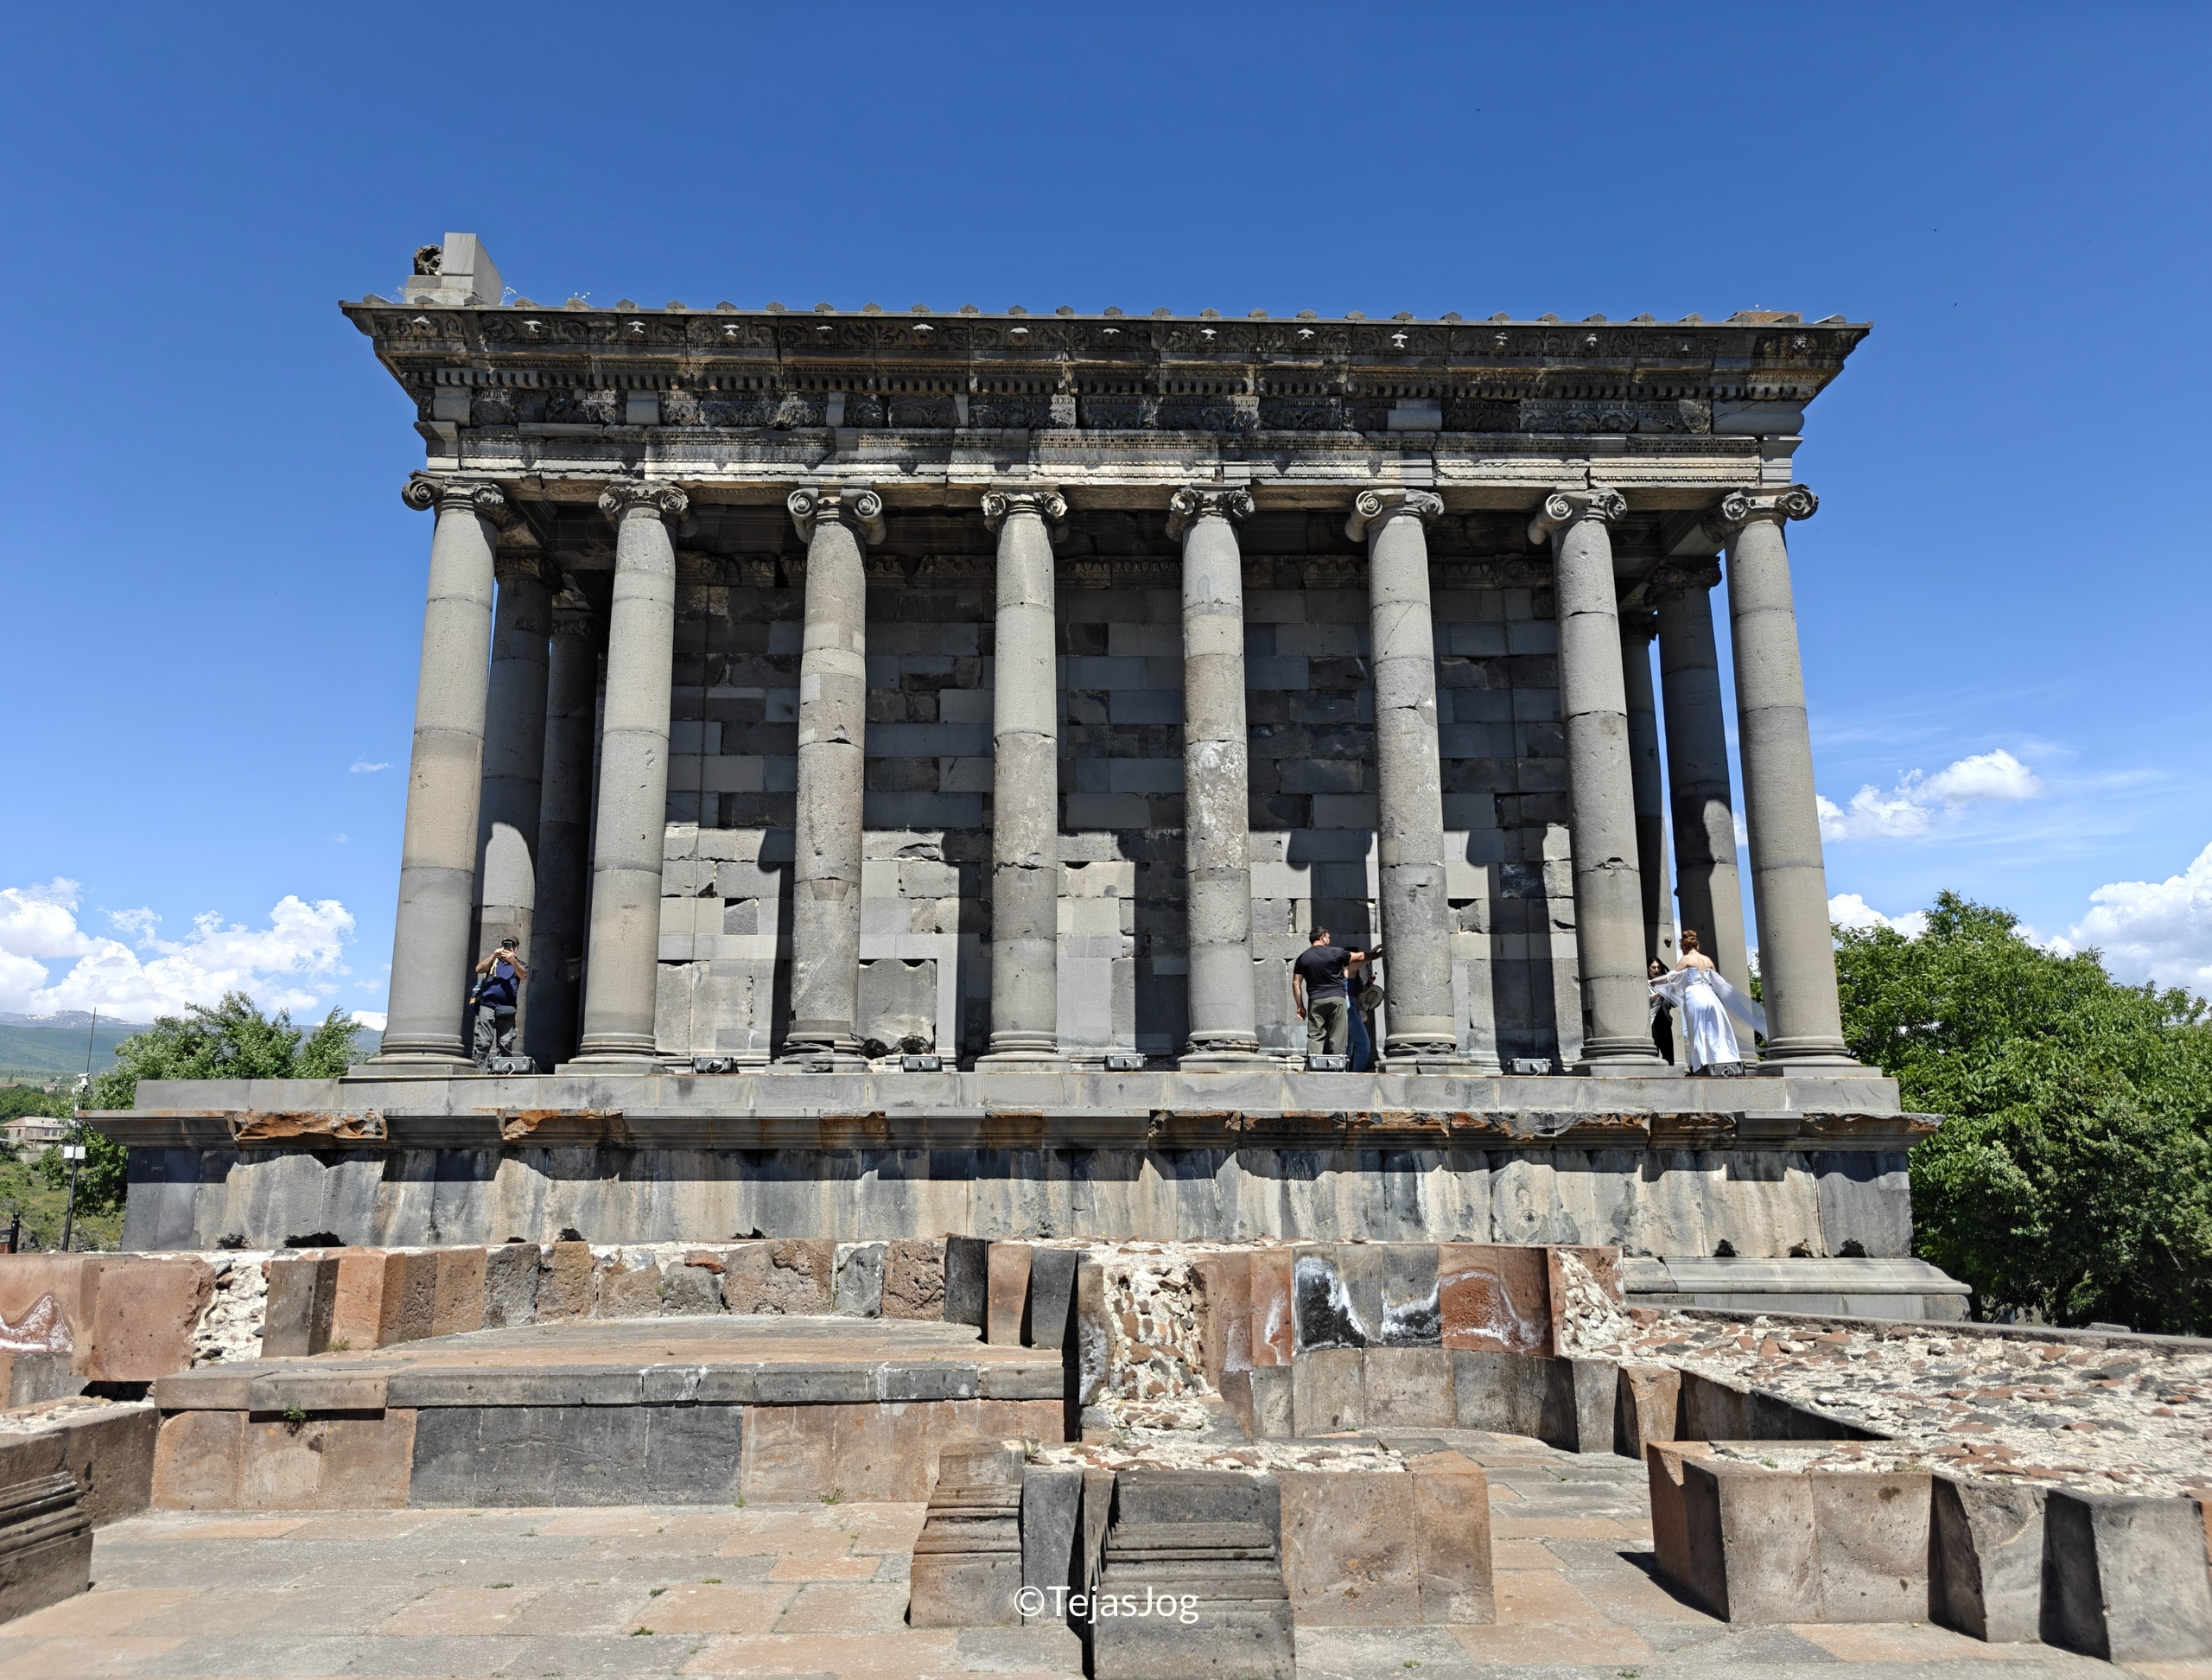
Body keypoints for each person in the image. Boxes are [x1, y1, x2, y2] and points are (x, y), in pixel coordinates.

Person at [1649, 929, 1762, 1075]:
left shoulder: (1686, 959)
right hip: (1710, 997)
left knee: (1698, 1030)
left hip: (1695, 996)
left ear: (1683, 945)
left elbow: (1671, 977)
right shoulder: (1707, 960)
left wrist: (1653, 981)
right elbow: (1718, 982)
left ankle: (1701, 1065)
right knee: (1715, 1031)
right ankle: (1719, 1062)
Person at [1292, 927, 1377, 1063]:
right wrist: (1378, 954)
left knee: (1315, 1035)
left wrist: (1300, 1006)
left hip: (1315, 1000)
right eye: (1328, 937)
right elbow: (1360, 957)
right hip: (1337, 998)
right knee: (1338, 1035)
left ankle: (1315, 1067)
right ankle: (1337, 1068)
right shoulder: (1335, 952)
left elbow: (1296, 984)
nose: (1329, 939)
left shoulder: (1302, 958)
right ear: (1323, 937)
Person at [472, 938, 529, 1069]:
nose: (509, 947)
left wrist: (513, 960)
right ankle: (480, 1071)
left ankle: (503, 1072)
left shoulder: (519, 964)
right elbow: (479, 969)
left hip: (507, 1008)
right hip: (487, 1006)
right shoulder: (494, 962)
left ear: (516, 948)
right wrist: (494, 955)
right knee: (483, 1041)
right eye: (506, 945)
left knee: (505, 1043)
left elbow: (523, 975)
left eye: (512, 945)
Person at [1647, 958, 1675, 1064]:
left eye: (1658, 967)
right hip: (1652, 1019)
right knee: (1654, 1048)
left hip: (1664, 1018)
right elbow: (1646, 1000)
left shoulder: (1663, 983)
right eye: (1653, 967)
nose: (1656, 970)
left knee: (1668, 1051)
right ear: (1647, 968)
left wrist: (1670, 991)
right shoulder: (1645, 982)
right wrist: (1660, 993)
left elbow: (1673, 1004)